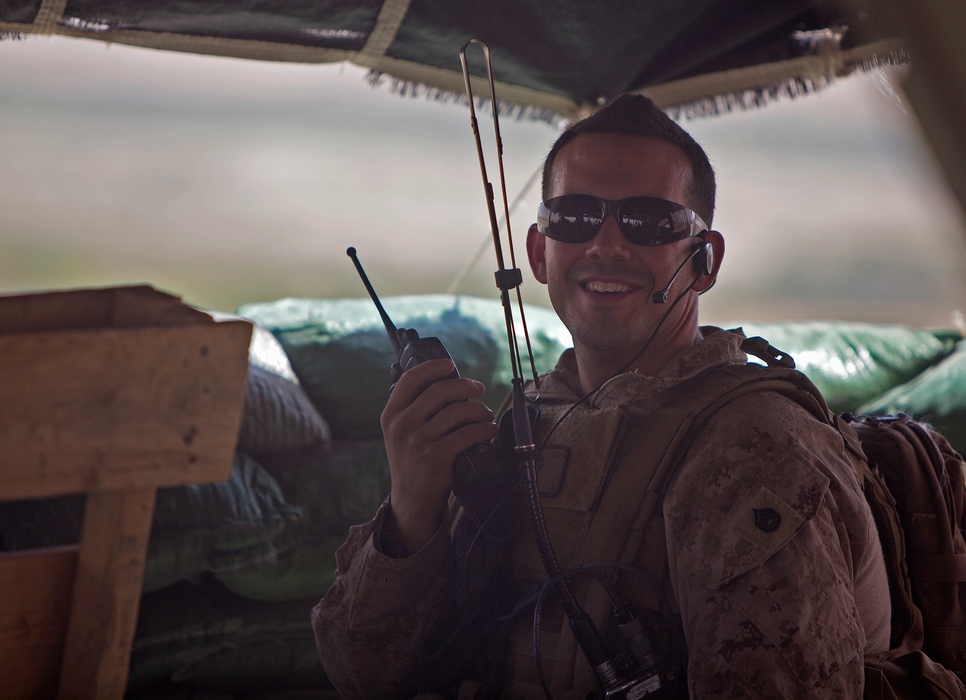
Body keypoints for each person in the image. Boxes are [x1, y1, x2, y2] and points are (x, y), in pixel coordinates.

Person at [311, 94, 892, 698]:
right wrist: (412, 513)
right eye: (575, 216)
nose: (607, 245)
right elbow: (360, 672)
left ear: (703, 261)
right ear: (540, 252)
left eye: (647, 221)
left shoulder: (752, 448)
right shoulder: (532, 418)